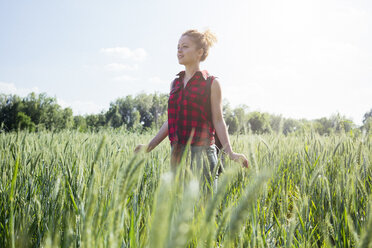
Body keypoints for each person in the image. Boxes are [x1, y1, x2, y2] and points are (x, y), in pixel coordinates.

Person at [135, 29, 248, 181]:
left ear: (199, 52)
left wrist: (231, 153)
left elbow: (218, 120)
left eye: (185, 46)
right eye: (178, 47)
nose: (179, 50)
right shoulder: (174, 84)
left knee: (204, 204)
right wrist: (149, 146)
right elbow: (171, 121)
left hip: (203, 155)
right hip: (177, 154)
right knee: (179, 204)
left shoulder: (212, 83)